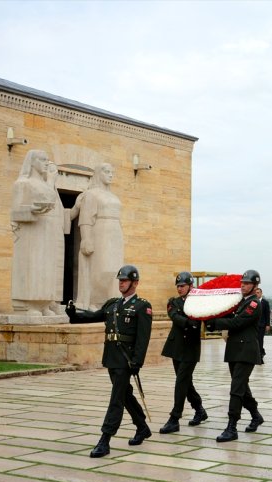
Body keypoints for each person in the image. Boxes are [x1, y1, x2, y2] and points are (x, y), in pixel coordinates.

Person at [66, 264, 152, 458]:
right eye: (120, 280)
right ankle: (142, 426)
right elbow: (92, 316)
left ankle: (105, 440)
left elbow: (143, 337)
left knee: (116, 399)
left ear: (135, 283)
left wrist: (137, 362)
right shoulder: (113, 304)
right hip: (112, 358)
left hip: (126, 359)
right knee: (124, 395)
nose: (121, 283)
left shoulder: (142, 306)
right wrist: (73, 314)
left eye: (125, 280)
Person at [207, 269, 264, 442]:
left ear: (255, 286)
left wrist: (215, 323)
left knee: (236, 388)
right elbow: (230, 316)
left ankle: (232, 427)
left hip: (246, 352)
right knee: (241, 387)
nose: (243, 286)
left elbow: (237, 322)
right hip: (234, 350)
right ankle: (255, 415)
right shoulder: (240, 303)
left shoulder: (254, 304)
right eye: (242, 283)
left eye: (247, 284)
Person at [10, 150, 66, 315]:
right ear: (32, 162)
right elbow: (15, 212)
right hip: (31, 232)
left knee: (47, 266)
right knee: (33, 265)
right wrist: (32, 209)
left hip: (46, 229)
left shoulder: (45, 184)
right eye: (42, 160)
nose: (46, 163)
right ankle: (29, 305)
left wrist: (50, 181)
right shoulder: (23, 184)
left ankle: (43, 304)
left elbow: (50, 199)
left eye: (47, 160)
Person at [159, 272, 206, 434]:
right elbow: (174, 316)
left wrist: (191, 321)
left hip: (191, 348)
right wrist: (189, 322)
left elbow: (199, 320)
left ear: (191, 286)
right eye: (178, 286)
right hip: (177, 347)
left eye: (183, 286)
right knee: (185, 381)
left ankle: (175, 418)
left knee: (181, 381)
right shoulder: (173, 302)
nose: (179, 289)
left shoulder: (199, 303)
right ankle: (199, 409)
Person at [73, 163, 124, 310]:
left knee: (114, 269)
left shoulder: (112, 195)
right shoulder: (91, 194)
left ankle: (111, 300)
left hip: (114, 232)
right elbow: (85, 219)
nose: (110, 174)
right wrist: (86, 238)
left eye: (112, 172)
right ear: (98, 174)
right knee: (100, 268)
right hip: (100, 231)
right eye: (107, 171)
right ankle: (94, 301)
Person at [254, 287, 271, 364]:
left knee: (260, 340)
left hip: (262, 325)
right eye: (256, 292)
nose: (257, 294)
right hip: (254, 325)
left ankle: (260, 356)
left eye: (258, 292)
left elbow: (267, 314)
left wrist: (268, 324)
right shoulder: (253, 302)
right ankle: (260, 352)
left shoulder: (265, 302)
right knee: (254, 340)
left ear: (261, 293)